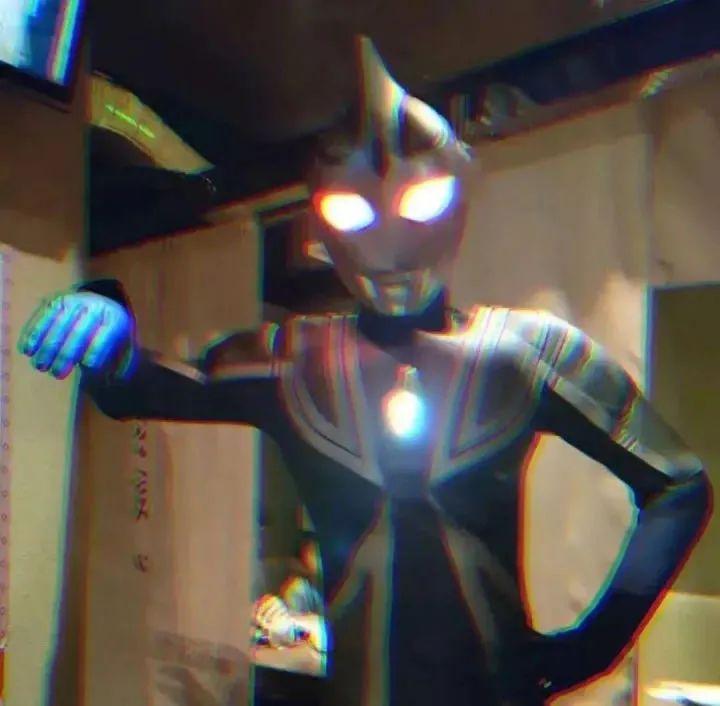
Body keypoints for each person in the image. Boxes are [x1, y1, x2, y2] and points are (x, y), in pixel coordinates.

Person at [18, 36, 712, 706]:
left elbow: (678, 486)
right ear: (322, 223)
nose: (389, 242)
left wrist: (591, 649)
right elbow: (143, 386)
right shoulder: (299, 359)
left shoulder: (523, 352)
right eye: (352, 210)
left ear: (458, 193)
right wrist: (107, 319)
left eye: (418, 201)